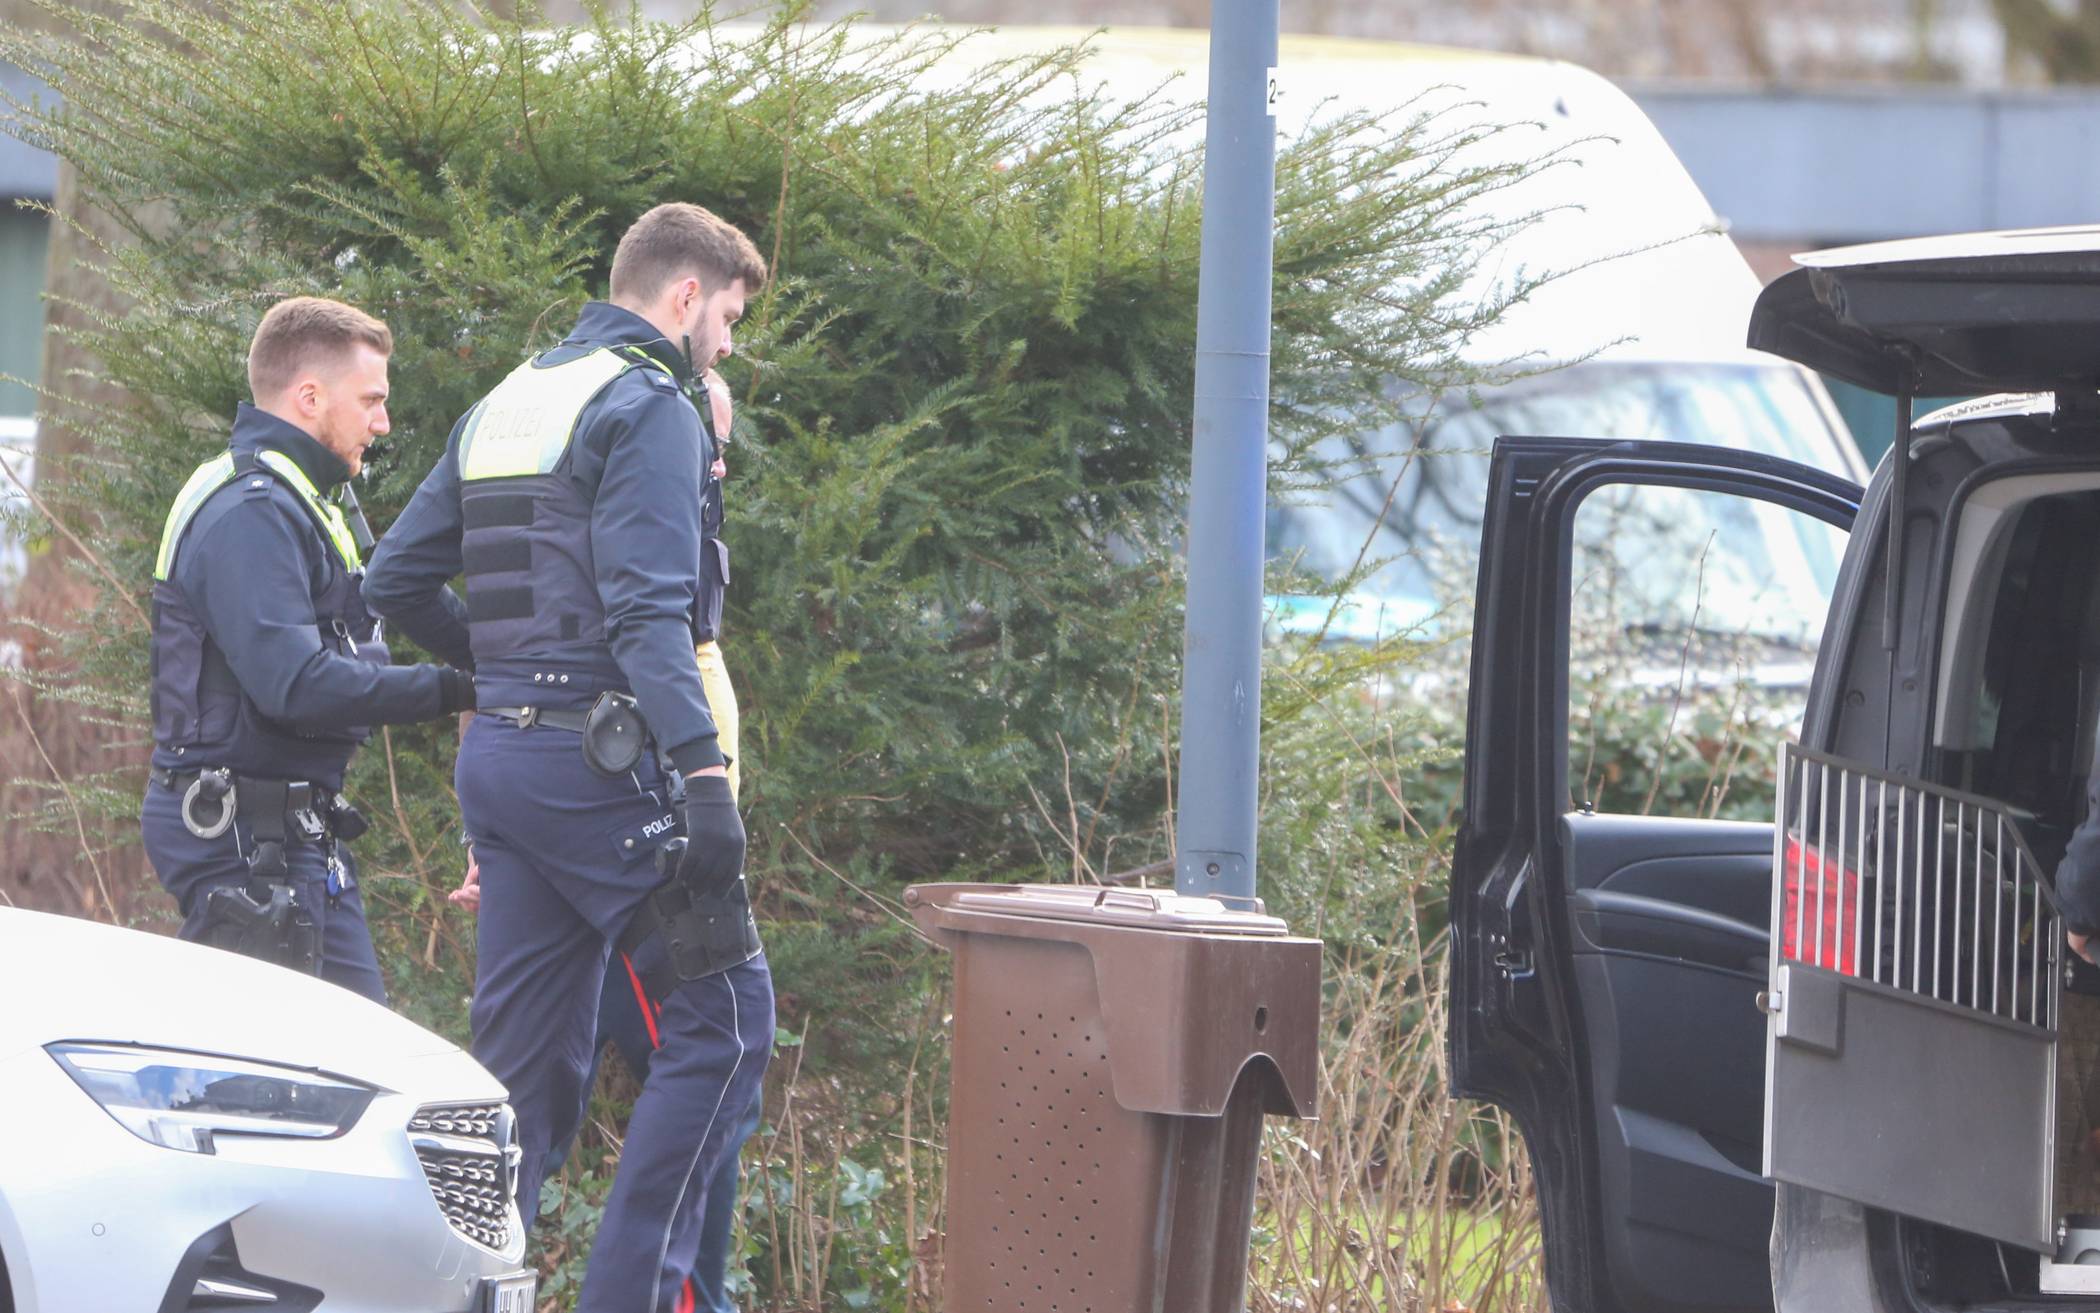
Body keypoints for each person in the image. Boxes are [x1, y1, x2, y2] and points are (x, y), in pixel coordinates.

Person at [364, 202, 773, 1312]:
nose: (726, 344)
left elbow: (394, 580)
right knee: (729, 1020)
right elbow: (647, 616)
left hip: (504, 773)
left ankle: (452, 1295)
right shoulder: (651, 406)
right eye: (729, 318)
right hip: (603, 775)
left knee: (519, 1086)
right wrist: (703, 776)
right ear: (685, 295)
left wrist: (501, 674)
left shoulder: (510, 399)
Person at [450, 366, 761, 1311]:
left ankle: (472, 1283)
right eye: (707, 444)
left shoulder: (674, 548)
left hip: (612, 822)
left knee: (538, 1082)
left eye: (720, 450)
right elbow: (551, 667)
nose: (712, 463)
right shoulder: (634, 529)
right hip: (621, 827)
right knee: (714, 1048)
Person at [142, 296, 475, 1002]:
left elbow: (365, 620)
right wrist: (454, 689)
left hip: (293, 829)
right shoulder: (251, 510)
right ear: (310, 397)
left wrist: (494, 656)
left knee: (359, 1044)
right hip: (242, 836)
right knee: (263, 1061)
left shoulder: (303, 494)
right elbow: (294, 685)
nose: (383, 423)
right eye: (371, 401)